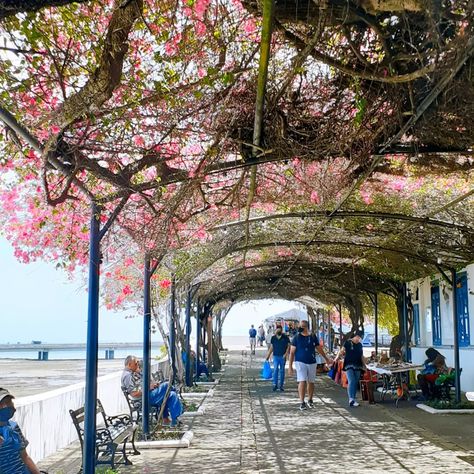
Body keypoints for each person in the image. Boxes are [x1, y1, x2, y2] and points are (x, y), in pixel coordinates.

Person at [121, 355, 183, 426]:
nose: (137, 365)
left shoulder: (133, 373)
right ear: (129, 364)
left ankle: (174, 419)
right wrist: (148, 388)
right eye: (135, 364)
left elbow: (141, 384)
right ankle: (176, 395)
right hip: (144, 399)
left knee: (171, 394)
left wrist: (151, 385)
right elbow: (134, 393)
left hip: (148, 394)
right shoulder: (127, 376)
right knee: (166, 385)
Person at [288, 320, 332, 410]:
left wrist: (326, 359)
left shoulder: (312, 336)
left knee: (311, 382)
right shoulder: (296, 337)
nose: (301, 327)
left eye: (303, 326)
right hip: (300, 361)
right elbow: (292, 352)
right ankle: (301, 402)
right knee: (302, 380)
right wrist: (290, 366)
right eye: (300, 326)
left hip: (312, 361)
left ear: (306, 327)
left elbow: (319, 348)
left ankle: (310, 399)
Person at [0, 388, 41, 474]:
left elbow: (25, 457)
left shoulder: (14, 426)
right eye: (3, 404)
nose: (8, 406)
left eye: (8, 402)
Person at [335, 330, 366, 407]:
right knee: (351, 380)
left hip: (358, 365)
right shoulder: (348, 343)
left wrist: (364, 365)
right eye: (357, 337)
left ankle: (353, 398)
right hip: (349, 364)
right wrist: (336, 359)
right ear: (355, 336)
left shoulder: (359, 345)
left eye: (360, 338)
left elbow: (361, 356)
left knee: (355, 381)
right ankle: (351, 399)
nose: (358, 339)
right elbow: (341, 351)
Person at [265, 324, 290, 392]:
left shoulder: (285, 337)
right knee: (275, 370)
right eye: (277, 328)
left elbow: (288, 346)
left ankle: (281, 385)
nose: (278, 330)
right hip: (275, 356)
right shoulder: (273, 338)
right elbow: (271, 347)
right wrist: (268, 356)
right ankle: (275, 384)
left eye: (279, 329)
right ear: (276, 329)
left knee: (282, 371)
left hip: (283, 356)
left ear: (281, 330)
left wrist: (286, 354)